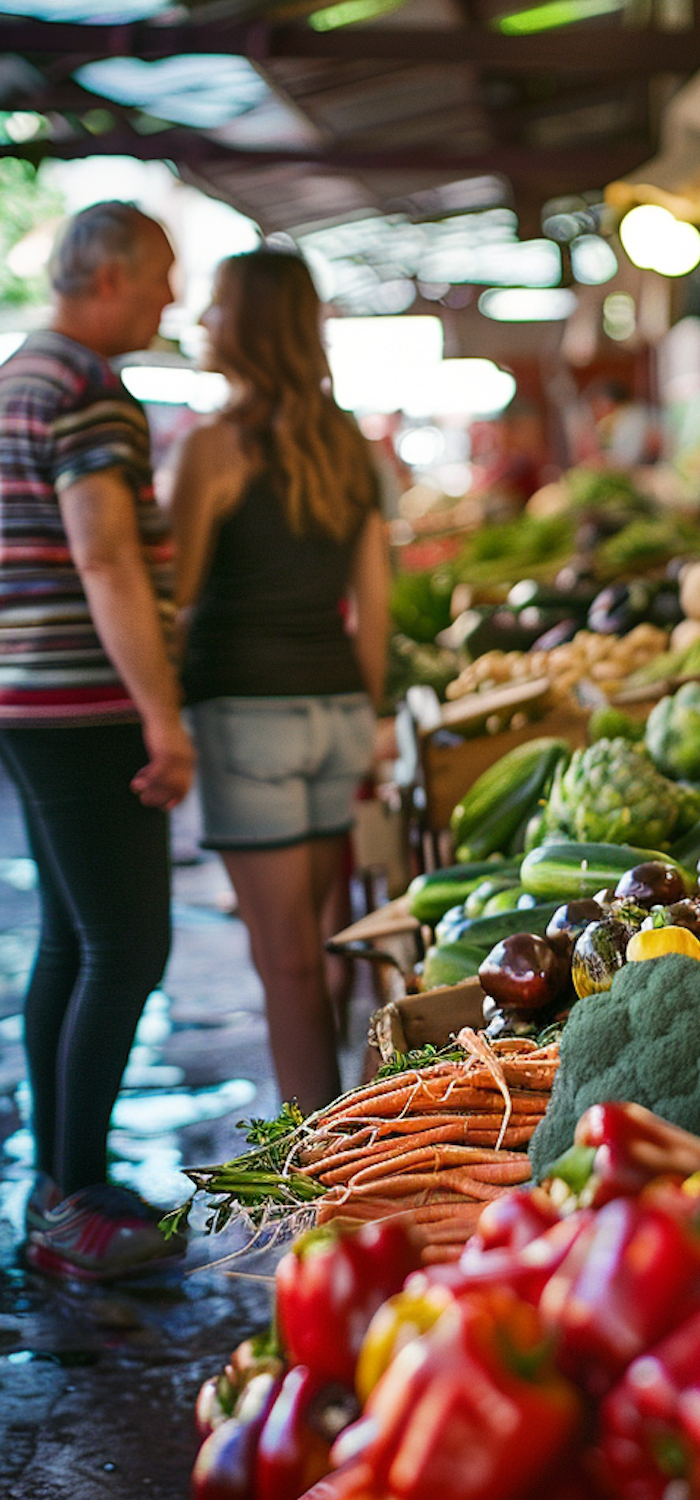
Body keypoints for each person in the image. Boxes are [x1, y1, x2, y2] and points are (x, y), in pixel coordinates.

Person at [0, 201, 194, 1280]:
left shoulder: (18, 374)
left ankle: (64, 1179)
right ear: (108, 275)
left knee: (75, 942)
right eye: (163, 275)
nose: (173, 298)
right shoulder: (87, 389)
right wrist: (163, 718)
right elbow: (106, 559)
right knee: (127, 946)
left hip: (29, 703)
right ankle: (73, 1204)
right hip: (85, 707)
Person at [166, 249, 389, 1114]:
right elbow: (373, 605)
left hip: (245, 719)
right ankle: (350, 1123)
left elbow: (176, 597)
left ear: (252, 327)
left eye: (217, 307)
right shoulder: (350, 446)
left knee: (287, 959)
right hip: (335, 710)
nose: (202, 323)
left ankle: (322, 1164)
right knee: (324, 945)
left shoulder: (211, 449)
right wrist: (362, 712)